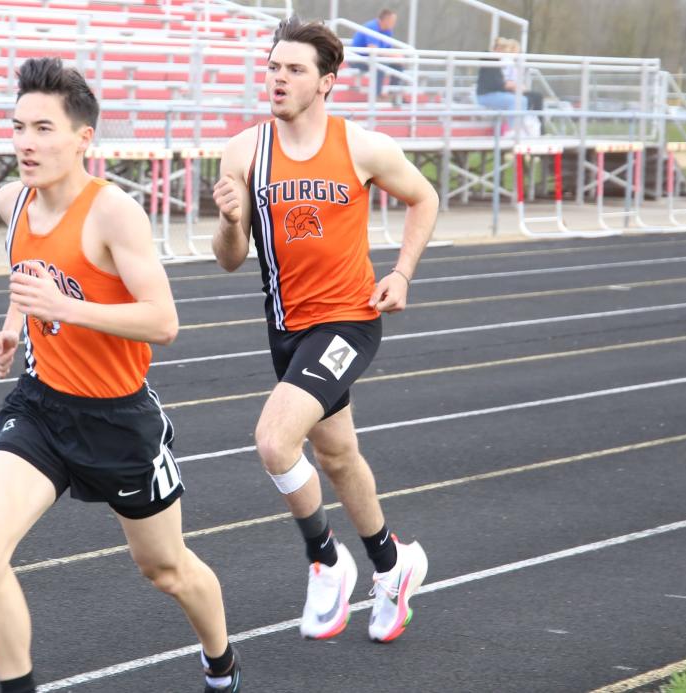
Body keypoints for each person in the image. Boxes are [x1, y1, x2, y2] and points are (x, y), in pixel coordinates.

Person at [0, 57, 240, 693]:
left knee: (165, 568)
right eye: (17, 127)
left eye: (43, 129)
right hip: (42, 410)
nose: (25, 143)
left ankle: (220, 660)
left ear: (83, 138)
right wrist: (13, 327)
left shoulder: (113, 212)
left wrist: (65, 309)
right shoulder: (14, 202)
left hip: (118, 420)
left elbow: (164, 322)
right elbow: (29, 275)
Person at [212, 16, 437, 645]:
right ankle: (394, 566)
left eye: (295, 69)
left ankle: (326, 558)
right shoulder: (244, 152)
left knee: (274, 441)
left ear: (327, 82)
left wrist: (402, 273)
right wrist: (230, 220)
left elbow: (425, 198)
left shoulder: (363, 146)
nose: (279, 79)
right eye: (273, 67)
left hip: (348, 322)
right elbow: (230, 258)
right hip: (286, 328)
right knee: (337, 456)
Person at [476, 37, 530, 134]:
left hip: (496, 94)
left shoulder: (499, 63)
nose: (505, 52)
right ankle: (512, 131)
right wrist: (513, 85)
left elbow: (501, 84)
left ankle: (520, 130)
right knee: (516, 100)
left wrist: (514, 86)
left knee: (524, 100)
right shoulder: (489, 59)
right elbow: (498, 84)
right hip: (485, 95)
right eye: (503, 48)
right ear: (497, 49)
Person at [349, 8, 403, 98]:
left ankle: (393, 94)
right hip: (357, 60)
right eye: (392, 21)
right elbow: (372, 49)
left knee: (398, 65)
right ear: (385, 20)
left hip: (372, 59)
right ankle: (376, 96)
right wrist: (392, 55)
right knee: (380, 64)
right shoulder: (372, 27)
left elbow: (388, 49)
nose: (394, 23)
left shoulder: (388, 31)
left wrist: (396, 56)